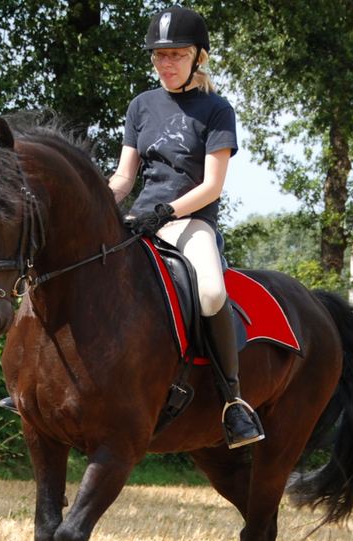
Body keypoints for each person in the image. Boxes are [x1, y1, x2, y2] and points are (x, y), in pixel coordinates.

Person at [107, 4, 264, 448]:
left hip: (190, 222)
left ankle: (233, 403)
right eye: (159, 56)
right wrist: (102, 199)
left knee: (212, 291)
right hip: (139, 221)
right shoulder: (141, 105)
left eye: (176, 55)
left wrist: (168, 212)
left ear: (199, 57)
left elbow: (212, 185)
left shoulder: (217, 110)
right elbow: (125, 177)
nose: (166, 64)